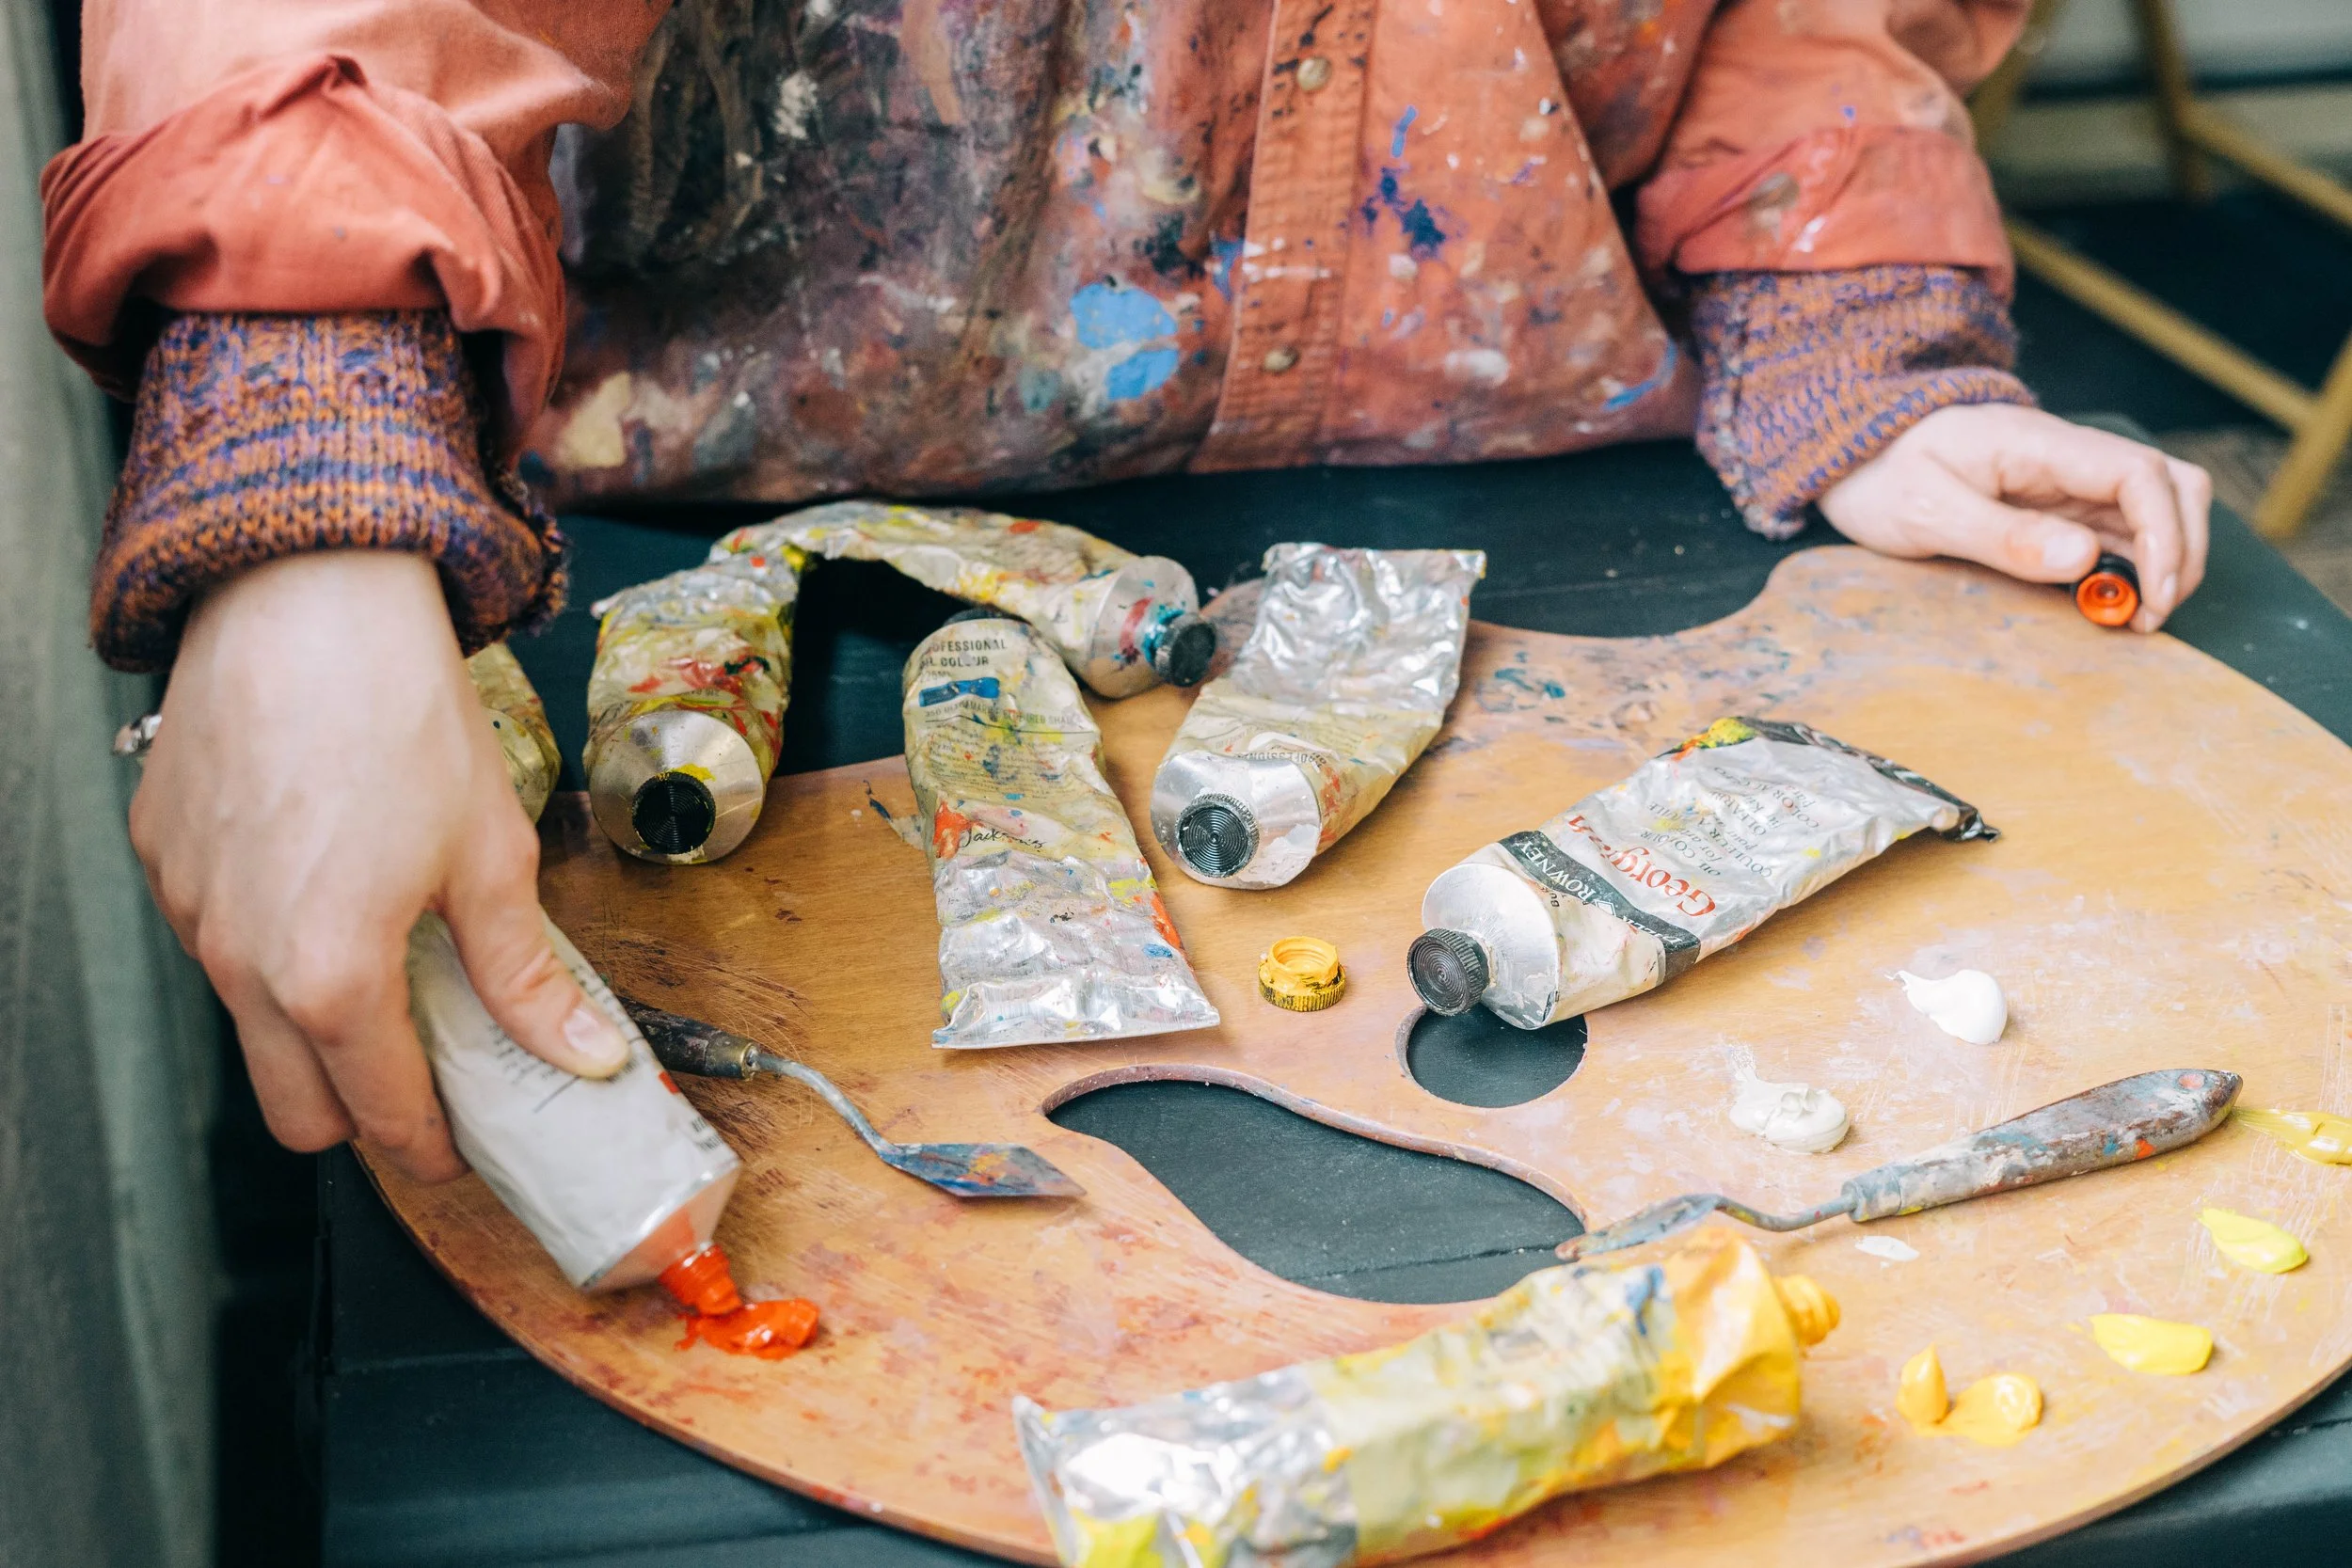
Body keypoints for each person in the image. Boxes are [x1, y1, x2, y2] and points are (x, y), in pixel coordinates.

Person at [44, 0, 2210, 1185]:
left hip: (1544, 496)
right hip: (714, 566)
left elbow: (1795, 19)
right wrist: (303, 427)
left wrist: (1842, 322)